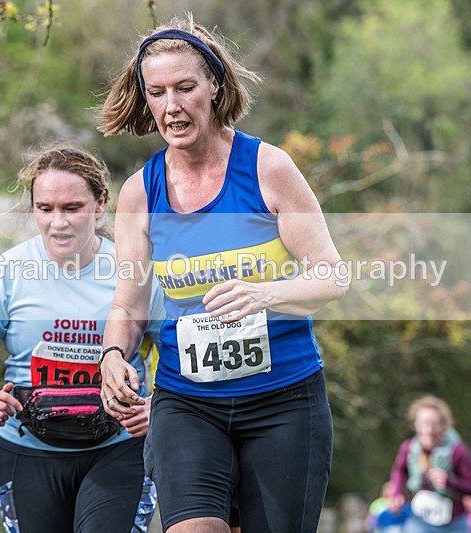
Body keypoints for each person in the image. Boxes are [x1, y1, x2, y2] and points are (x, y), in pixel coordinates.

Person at [95, 14, 349, 533]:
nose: (173, 106)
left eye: (186, 87)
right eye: (158, 92)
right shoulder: (141, 194)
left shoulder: (267, 168)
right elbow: (129, 304)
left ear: (214, 85)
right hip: (187, 401)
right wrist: (113, 355)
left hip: (284, 399)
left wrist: (266, 294)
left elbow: (331, 276)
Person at [0, 144, 165, 532]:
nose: (58, 223)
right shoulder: (5, 273)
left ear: (99, 204)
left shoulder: (134, 271)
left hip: (119, 448)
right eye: (45, 209)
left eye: (72, 208)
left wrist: (159, 406)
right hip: (28, 451)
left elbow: (181, 355)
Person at [387, 395, 471, 533]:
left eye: (434, 424)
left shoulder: (458, 451)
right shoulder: (409, 448)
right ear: (415, 424)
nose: (428, 430)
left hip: (453, 525)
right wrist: (396, 493)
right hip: (419, 522)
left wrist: (449, 482)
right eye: (423, 424)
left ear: (444, 425)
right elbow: (400, 470)